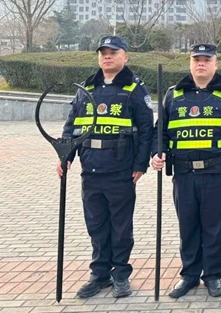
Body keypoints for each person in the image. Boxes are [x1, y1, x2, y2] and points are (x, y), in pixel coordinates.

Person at [150, 43, 221, 298]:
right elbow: (160, 131)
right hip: (183, 174)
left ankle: (213, 276)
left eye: (206, 60)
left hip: (216, 173)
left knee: (214, 228)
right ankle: (190, 275)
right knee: (188, 227)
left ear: (216, 64)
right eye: (196, 60)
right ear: (190, 63)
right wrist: (157, 153)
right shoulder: (173, 95)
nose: (201, 64)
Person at [59, 35, 154, 298]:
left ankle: (120, 274)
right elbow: (72, 126)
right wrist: (66, 156)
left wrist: (141, 164)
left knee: (121, 227)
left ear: (125, 56)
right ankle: (99, 274)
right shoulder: (86, 88)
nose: (107, 56)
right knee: (96, 225)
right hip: (90, 169)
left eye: (113, 52)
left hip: (121, 170)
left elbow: (146, 130)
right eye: (103, 53)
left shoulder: (135, 89)